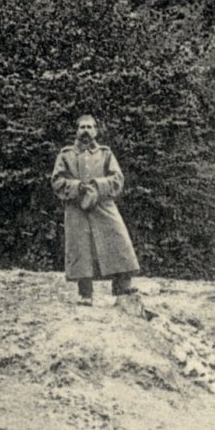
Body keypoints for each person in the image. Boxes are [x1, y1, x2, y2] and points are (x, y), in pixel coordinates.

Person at [51, 114, 141, 311]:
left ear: (96, 131)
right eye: (82, 127)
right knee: (81, 249)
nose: (85, 131)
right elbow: (56, 181)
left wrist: (97, 186)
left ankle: (122, 288)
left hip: (103, 204)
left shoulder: (105, 154)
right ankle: (85, 294)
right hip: (76, 207)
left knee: (118, 240)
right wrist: (77, 188)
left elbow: (118, 178)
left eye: (90, 127)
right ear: (76, 130)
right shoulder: (65, 155)